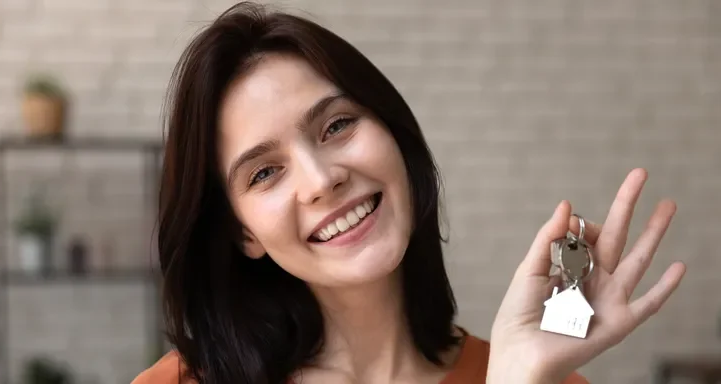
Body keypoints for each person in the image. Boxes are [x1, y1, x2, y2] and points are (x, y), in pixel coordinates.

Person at [132, 2, 686, 383]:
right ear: (243, 232)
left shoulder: (531, 376)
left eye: (336, 126)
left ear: (395, 136)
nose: (322, 179)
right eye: (264, 173)